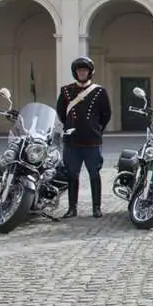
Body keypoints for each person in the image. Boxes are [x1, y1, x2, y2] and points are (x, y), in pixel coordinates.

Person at [56, 56, 112, 218]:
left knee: (94, 173)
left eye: (85, 70)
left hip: (91, 140)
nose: (82, 73)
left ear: (90, 72)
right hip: (72, 140)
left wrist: (96, 129)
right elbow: (61, 112)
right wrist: (70, 125)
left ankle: (96, 208)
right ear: (75, 72)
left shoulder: (99, 91)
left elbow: (106, 114)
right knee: (72, 174)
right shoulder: (66, 91)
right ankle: (72, 208)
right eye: (79, 70)